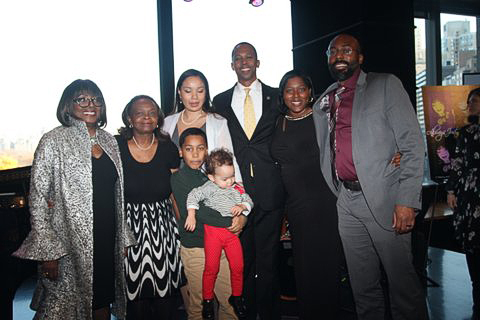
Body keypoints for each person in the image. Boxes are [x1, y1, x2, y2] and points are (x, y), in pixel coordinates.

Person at [312, 34, 428, 320]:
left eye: (347, 50)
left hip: (386, 200)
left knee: (403, 286)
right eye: (333, 51)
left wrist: (406, 201)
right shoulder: (324, 100)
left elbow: (412, 145)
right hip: (346, 202)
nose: (340, 55)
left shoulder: (385, 85)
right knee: (362, 287)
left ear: (360, 57)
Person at [12, 79, 136, 320]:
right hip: (66, 244)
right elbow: (38, 198)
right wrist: (48, 251)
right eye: (82, 99)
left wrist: (122, 237)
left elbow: (117, 194)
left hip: (106, 239)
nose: (91, 104)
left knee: (102, 299)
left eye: (96, 100)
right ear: (68, 105)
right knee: (61, 306)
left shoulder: (109, 140)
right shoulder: (53, 140)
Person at [271, 69, 351, 319]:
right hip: (295, 206)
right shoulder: (278, 122)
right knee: (303, 268)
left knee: (327, 266)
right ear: (282, 95)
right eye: (289, 90)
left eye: (301, 89)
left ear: (309, 93)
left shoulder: (324, 118)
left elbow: (350, 142)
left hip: (325, 202)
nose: (295, 95)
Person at [212, 42, 285, 320]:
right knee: (239, 263)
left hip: (271, 191)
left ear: (258, 62)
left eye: (248, 57)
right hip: (233, 194)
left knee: (269, 262)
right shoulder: (219, 101)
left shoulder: (278, 97)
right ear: (232, 65)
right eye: (238, 58)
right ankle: (245, 313)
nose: (243, 62)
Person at [115, 95, 182, 320]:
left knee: (166, 294)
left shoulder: (167, 148)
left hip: (163, 226)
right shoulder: (115, 147)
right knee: (135, 295)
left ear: (158, 118)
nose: (146, 117)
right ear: (129, 118)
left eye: (152, 112)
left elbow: (175, 192)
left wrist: (182, 226)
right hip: (128, 227)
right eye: (140, 113)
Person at [170, 128, 246, 320]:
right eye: (189, 149)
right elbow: (201, 212)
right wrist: (232, 220)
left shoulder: (213, 175)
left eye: (200, 148)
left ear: (206, 150)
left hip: (221, 247)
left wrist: (243, 216)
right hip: (196, 248)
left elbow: (236, 199)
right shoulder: (179, 178)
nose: (195, 154)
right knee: (199, 307)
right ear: (181, 151)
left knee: (229, 303)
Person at [186, 148, 253, 319]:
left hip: (231, 234)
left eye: (232, 175)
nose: (230, 181)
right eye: (224, 178)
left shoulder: (236, 187)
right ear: (211, 177)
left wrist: (243, 207)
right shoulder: (208, 188)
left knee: (238, 266)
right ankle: (207, 301)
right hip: (213, 234)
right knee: (211, 268)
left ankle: (236, 297)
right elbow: (193, 196)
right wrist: (191, 215)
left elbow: (248, 199)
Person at [163, 69, 241, 182]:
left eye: (200, 91)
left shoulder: (218, 122)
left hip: (208, 191)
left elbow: (228, 160)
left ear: (206, 92)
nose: (194, 97)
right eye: (188, 91)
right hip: (173, 191)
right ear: (179, 92)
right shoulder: (167, 123)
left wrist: (238, 191)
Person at [446, 87, 480, 320]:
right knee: (472, 244)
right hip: (470, 195)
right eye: (470, 100)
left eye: (476, 100)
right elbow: (456, 164)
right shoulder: (465, 133)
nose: (471, 103)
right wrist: (450, 190)